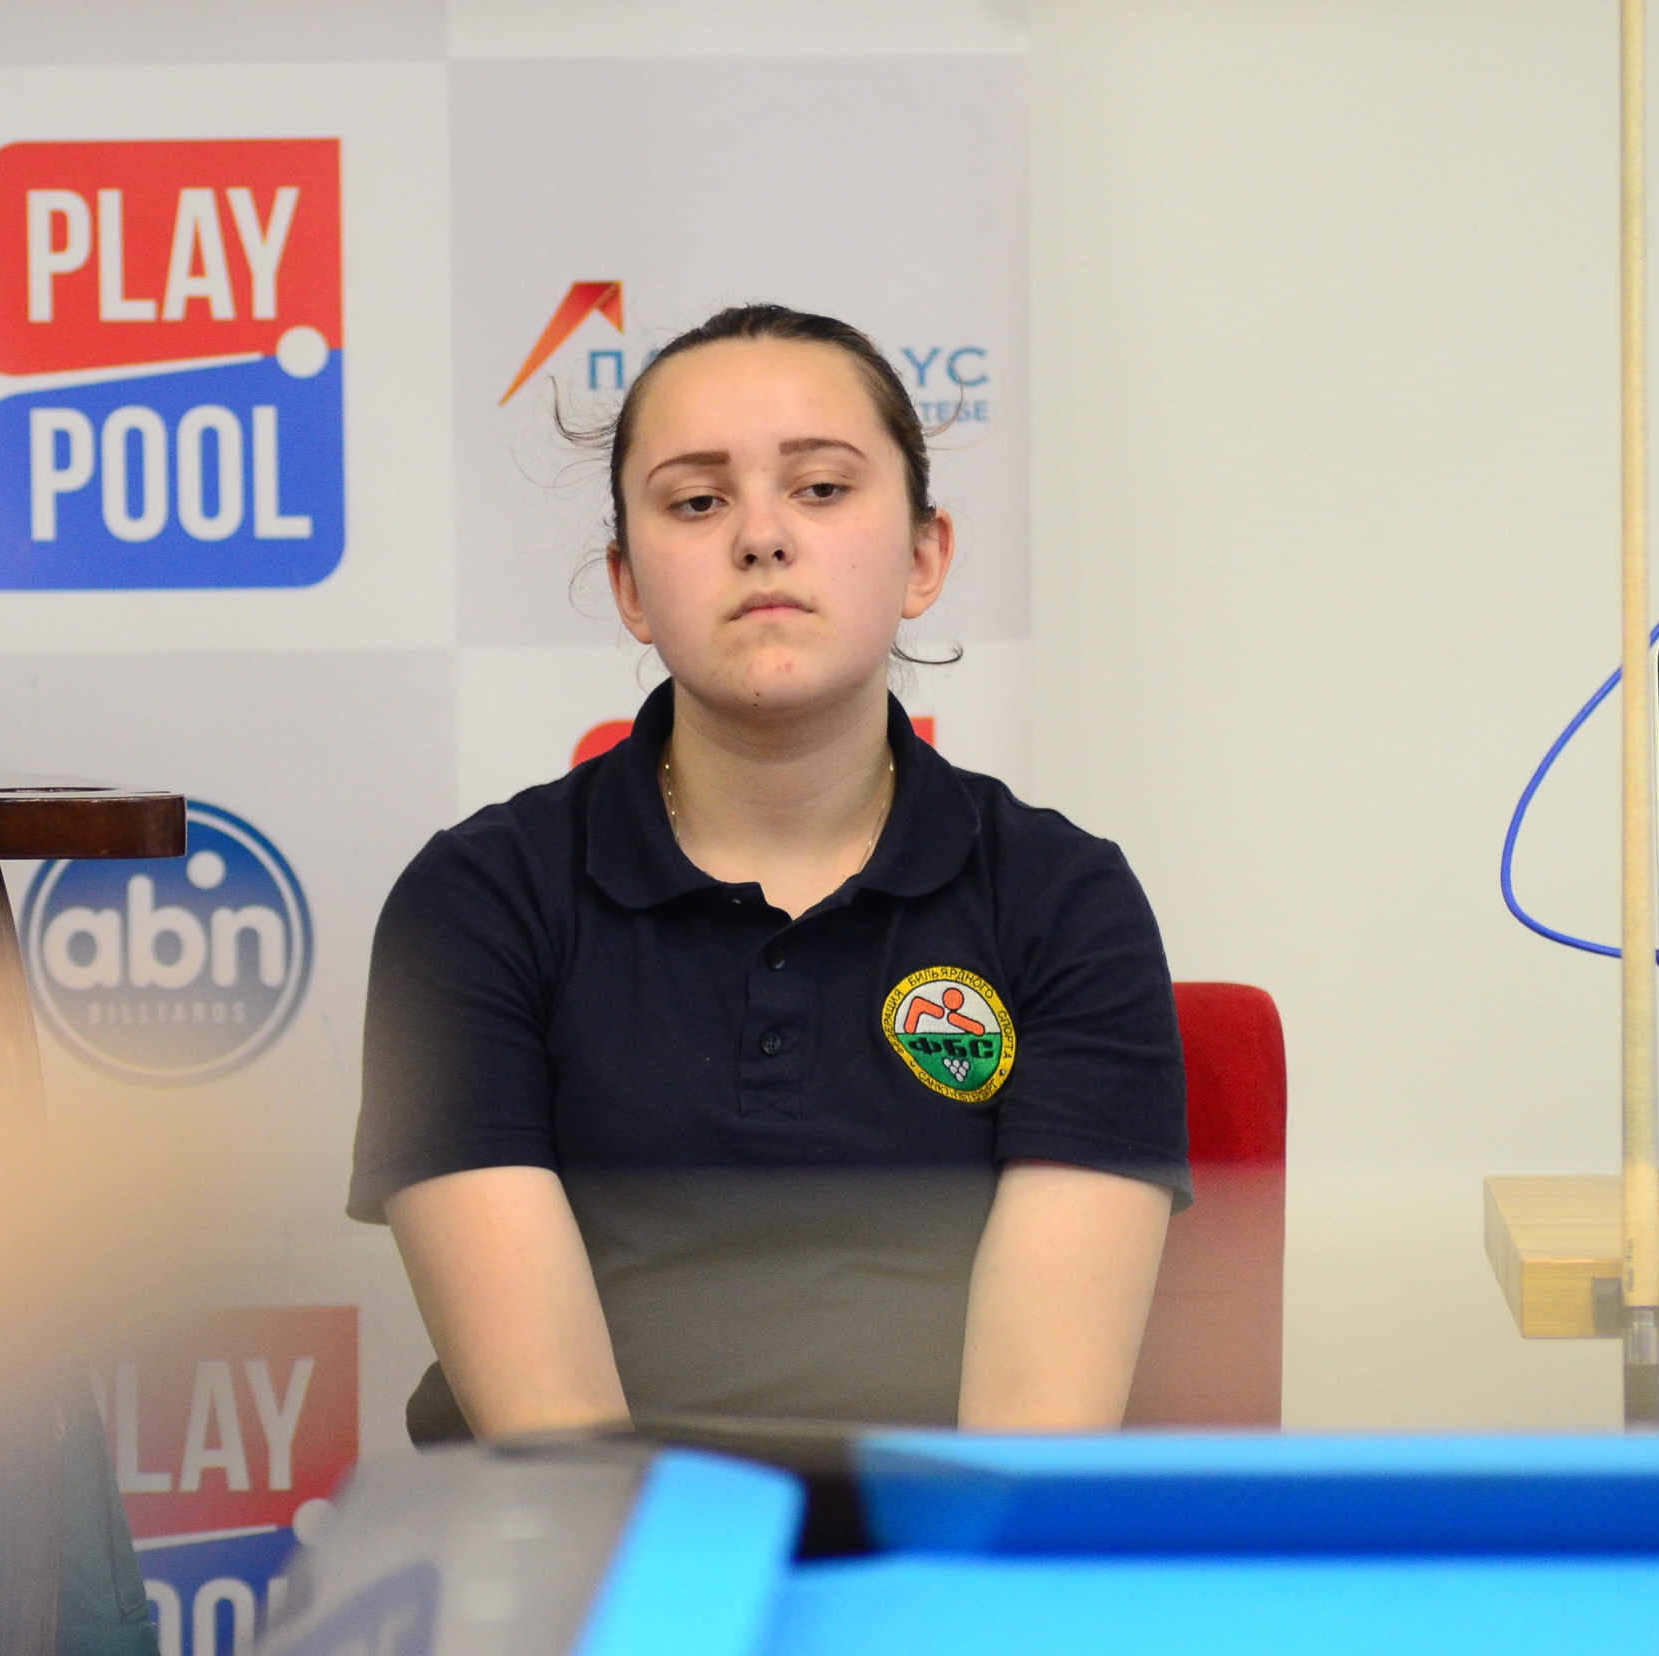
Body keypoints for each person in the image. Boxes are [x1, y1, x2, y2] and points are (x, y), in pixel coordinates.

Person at [349, 304, 1186, 1440]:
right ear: (630, 587)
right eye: (697, 501)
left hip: (939, 1547)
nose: (761, 537)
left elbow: (1033, 1440)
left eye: (822, 488)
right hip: (586, 1543)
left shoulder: (1064, 901)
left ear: (925, 556)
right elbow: (550, 1437)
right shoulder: (477, 901)